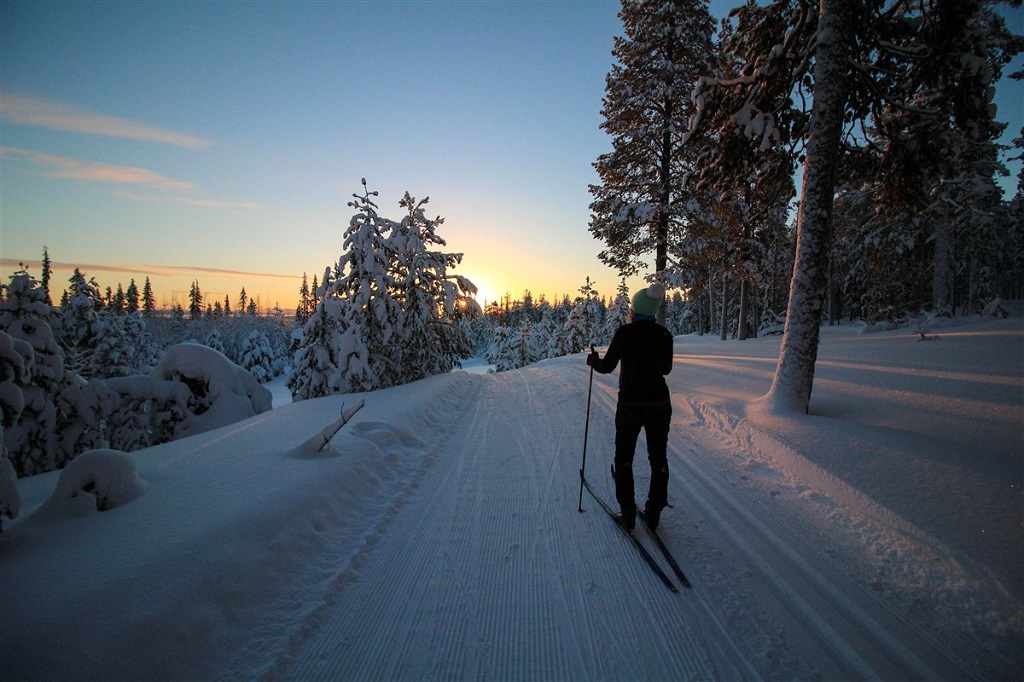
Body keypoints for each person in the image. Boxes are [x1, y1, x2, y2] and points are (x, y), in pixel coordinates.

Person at [587, 282, 673, 532]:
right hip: (659, 403)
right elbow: (666, 369)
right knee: (658, 457)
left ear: (636, 310)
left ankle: (627, 513)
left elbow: (606, 367)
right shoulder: (664, 335)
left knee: (624, 457)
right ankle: (654, 512)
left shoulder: (625, 333)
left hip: (631, 404)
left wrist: (594, 361)